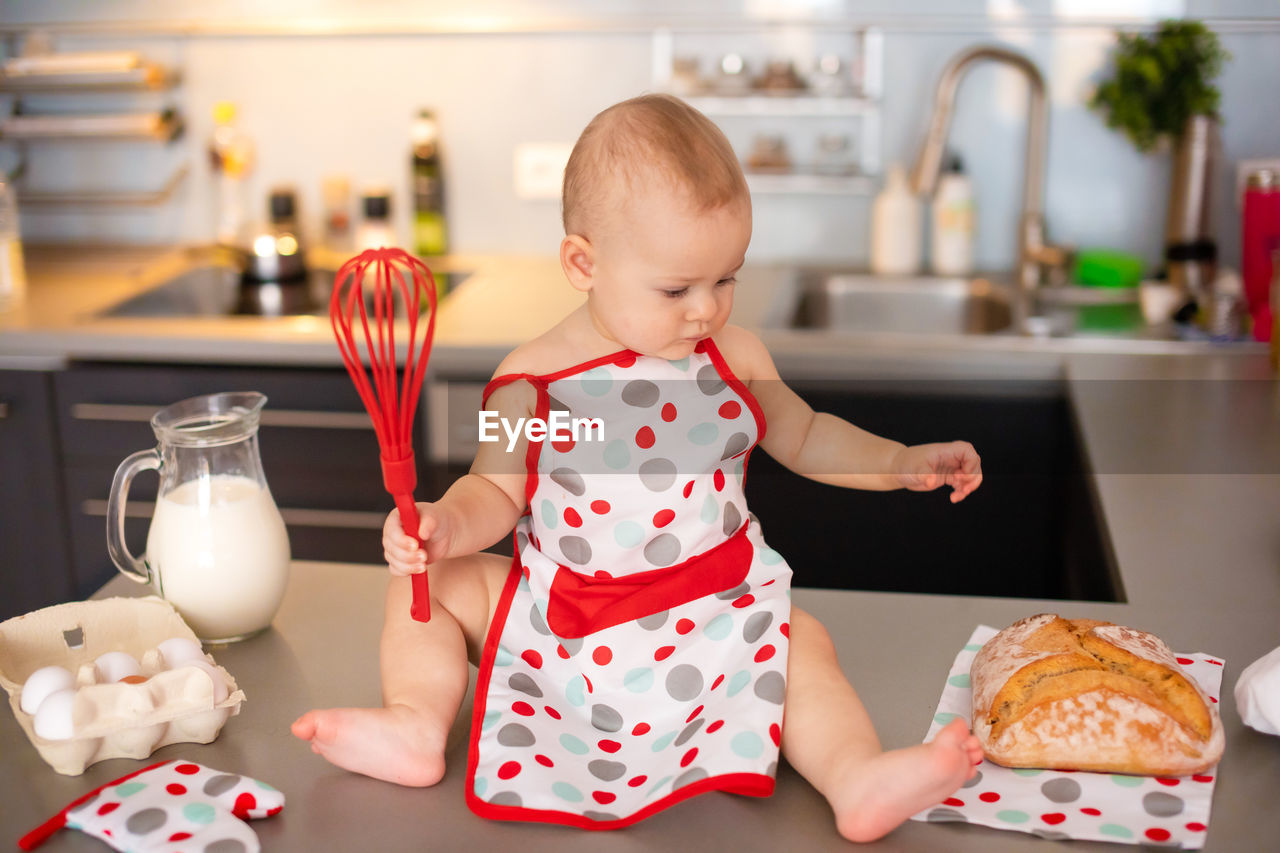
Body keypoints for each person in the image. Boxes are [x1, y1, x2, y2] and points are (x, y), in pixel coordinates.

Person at [293, 93, 984, 842]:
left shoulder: (735, 358)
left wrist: (900, 463)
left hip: (713, 615)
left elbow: (809, 436)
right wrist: (442, 525)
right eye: (676, 289)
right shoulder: (531, 380)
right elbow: (493, 487)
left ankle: (856, 776)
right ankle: (415, 724)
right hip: (565, 625)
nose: (706, 311)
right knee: (428, 585)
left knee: (801, 638)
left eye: (726, 279)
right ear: (583, 263)